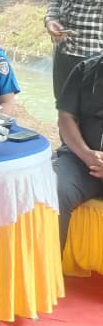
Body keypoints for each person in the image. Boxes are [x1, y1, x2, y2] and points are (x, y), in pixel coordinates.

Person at [53, 53, 103, 250]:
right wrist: (86, 154)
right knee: (54, 187)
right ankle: (51, 264)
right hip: (81, 161)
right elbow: (65, 116)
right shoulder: (85, 69)